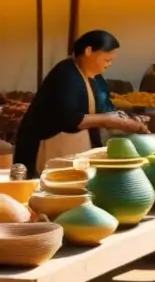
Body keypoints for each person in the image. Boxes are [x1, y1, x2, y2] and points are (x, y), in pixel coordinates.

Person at [14, 31, 147, 176]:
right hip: (46, 146)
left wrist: (128, 119)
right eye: (106, 59)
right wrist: (109, 120)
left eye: (111, 60)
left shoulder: (96, 79)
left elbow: (106, 107)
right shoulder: (65, 74)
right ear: (89, 51)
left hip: (76, 148)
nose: (110, 64)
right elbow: (69, 119)